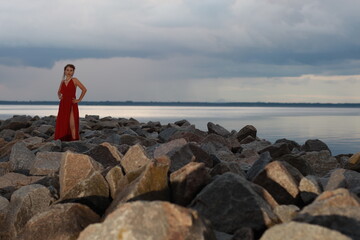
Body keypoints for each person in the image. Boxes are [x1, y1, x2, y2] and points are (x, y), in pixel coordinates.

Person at [54, 64, 87, 141]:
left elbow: (84, 89)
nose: (69, 72)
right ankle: (64, 138)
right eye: (67, 70)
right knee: (63, 122)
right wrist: (59, 96)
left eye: (71, 70)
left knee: (72, 123)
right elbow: (58, 92)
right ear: (65, 71)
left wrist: (79, 99)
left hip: (71, 103)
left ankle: (75, 140)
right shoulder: (63, 82)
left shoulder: (75, 80)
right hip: (63, 104)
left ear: (73, 72)